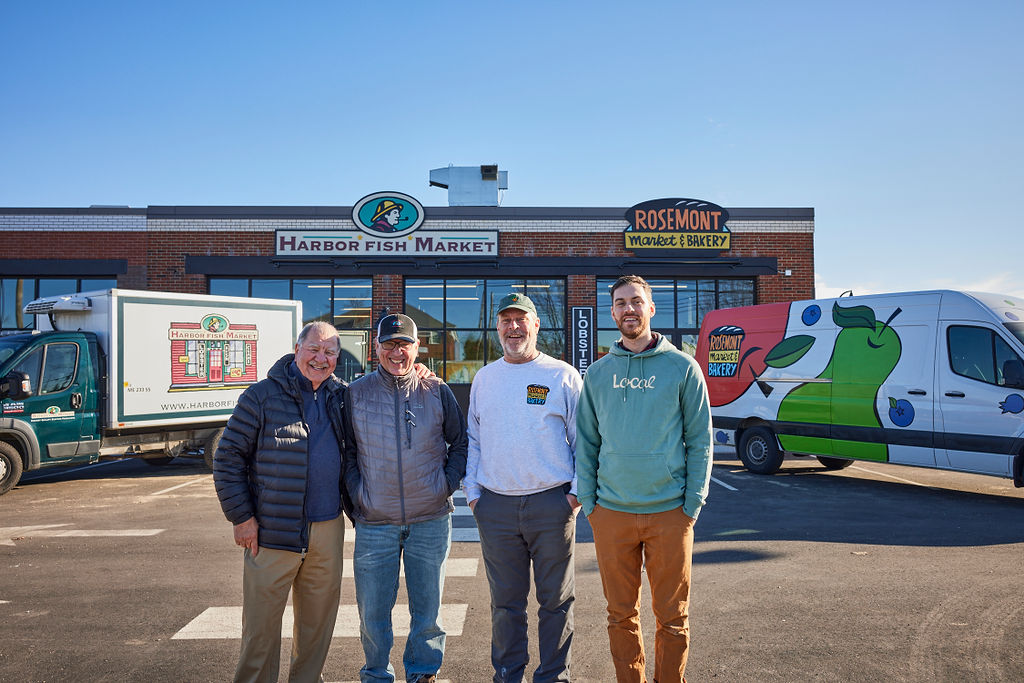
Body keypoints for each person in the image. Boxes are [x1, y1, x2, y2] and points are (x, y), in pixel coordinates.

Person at [576, 275, 713, 683]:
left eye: (636, 301)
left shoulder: (682, 367)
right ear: (612, 312)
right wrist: (590, 501)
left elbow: (700, 440)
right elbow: (586, 441)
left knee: (672, 617)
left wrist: (692, 504)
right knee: (620, 616)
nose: (628, 309)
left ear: (651, 309)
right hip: (612, 514)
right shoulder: (598, 374)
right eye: (620, 303)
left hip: (669, 512)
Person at [214, 320, 348, 683]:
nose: (321, 358)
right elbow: (227, 459)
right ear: (297, 348)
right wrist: (241, 518)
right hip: (271, 533)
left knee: (316, 630)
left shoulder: (342, 396)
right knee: (260, 634)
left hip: (327, 531)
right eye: (314, 349)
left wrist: (418, 368)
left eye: (330, 352)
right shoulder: (261, 397)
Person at [343, 313, 468, 683]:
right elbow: (347, 453)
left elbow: (460, 443)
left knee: (428, 610)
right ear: (375, 349)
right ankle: (377, 673)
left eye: (405, 344)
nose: (397, 352)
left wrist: (444, 485)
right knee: (372, 613)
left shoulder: (436, 390)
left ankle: (423, 671)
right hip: (374, 522)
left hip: (430, 518)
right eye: (389, 344)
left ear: (417, 348)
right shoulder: (355, 393)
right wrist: (358, 496)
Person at [465, 292, 583, 683]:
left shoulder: (562, 375)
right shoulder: (485, 378)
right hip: (495, 506)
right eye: (506, 321)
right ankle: (507, 674)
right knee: (505, 605)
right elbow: (474, 440)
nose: (513, 328)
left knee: (556, 601)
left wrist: (575, 493)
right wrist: (474, 493)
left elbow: (584, 440)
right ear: (497, 327)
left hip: (551, 504)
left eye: (521, 320)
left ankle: (553, 676)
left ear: (535, 324)